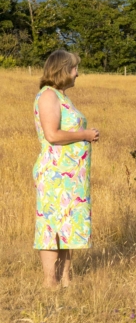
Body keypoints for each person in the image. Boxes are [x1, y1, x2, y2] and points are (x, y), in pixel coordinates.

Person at [33, 50, 100, 288]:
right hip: (55, 175)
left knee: (68, 225)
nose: (77, 73)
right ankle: (50, 282)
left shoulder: (61, 96)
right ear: (62, 70)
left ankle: (66, 279)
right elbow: (52, 135)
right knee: (51, 226)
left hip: (71, 177)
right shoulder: (48, 96)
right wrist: (85, 134)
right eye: (74, 68)